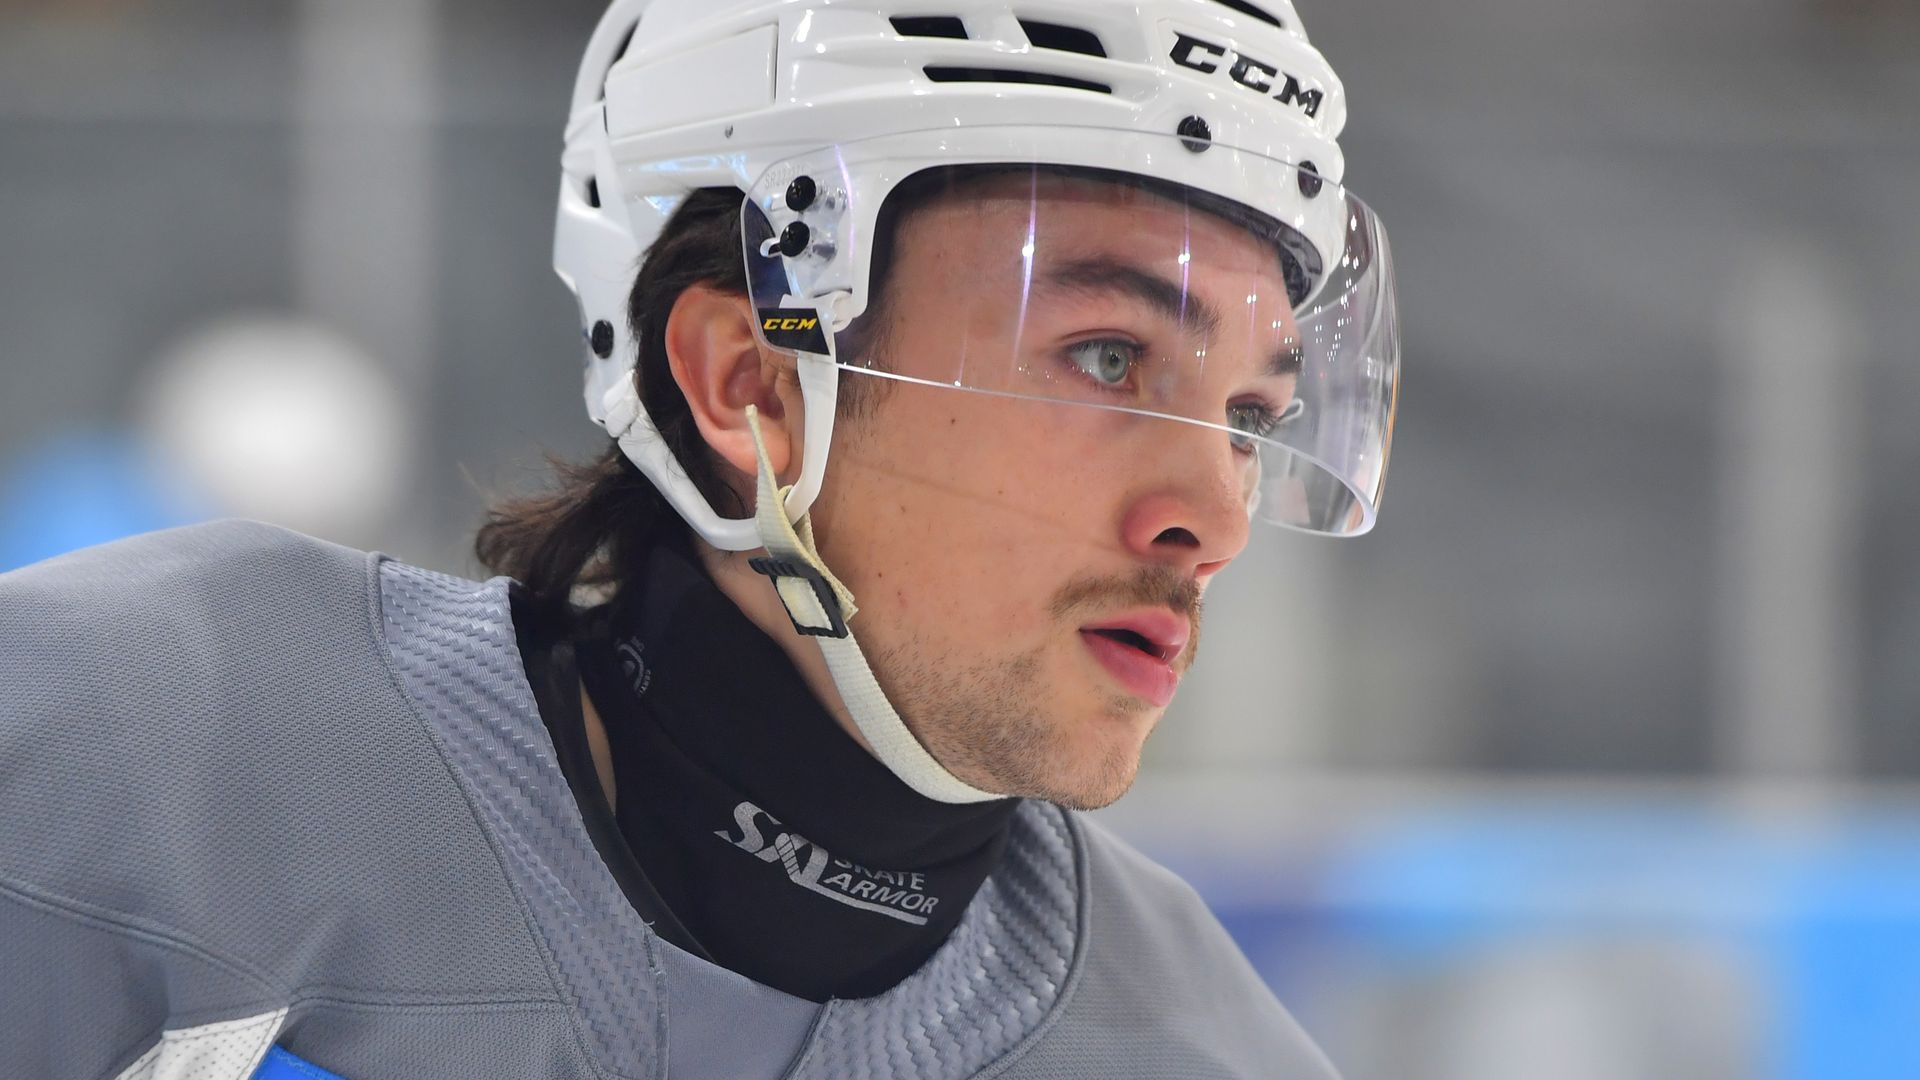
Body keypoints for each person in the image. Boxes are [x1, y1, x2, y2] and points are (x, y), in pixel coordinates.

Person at [0, 0, 1399, 1077]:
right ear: (750, 383)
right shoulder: (137, 767)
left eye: (1249, 415)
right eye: (1107, 357)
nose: (1213, 516)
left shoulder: (1204, 1049)